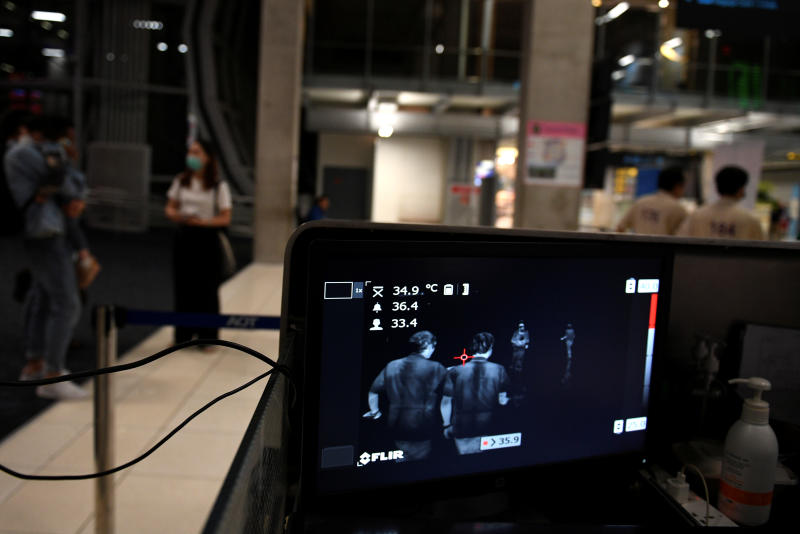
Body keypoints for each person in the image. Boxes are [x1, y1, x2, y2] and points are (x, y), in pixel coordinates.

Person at [4, 114, 87, 399]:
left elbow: (63, 185)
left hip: (48, 230)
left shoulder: (32, 153)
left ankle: (36, 363)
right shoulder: (24, 153)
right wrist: (65, 164)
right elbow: (65, 181)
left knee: (44, 297)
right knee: (66, 303)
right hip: (43, 233)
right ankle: (53, 373)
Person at [165, 139, 232, 347]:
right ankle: (183, 335)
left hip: (207, 240)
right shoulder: (181, 180)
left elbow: (225, 217)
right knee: (184, 287)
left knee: (207, 289)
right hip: (185, 237)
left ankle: (207, 337)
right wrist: (180, 216)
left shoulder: (218, 186)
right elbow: (170, 207)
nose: (192, 156)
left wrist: (204, 221)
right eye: (190, 152)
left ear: (208, 157)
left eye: (197, 152)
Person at [363, 331, 446, 461]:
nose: (433, 350)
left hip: (395, 428)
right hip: (421, 429)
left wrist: (375, 412)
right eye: (433, 346)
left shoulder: (391, 365)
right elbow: (449, 395)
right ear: (428, 346)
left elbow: (373, 392)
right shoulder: (436, 367)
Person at [441, 332, 510, 455]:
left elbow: (446, 402)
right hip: (488, 426)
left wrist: (446, 425)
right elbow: (502, 401)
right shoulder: (499, 370)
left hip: (461, 427)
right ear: (490, 348)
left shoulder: (455, 370)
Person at [678, 166, 765, 240]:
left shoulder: (697, 215)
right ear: (741, 189)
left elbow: (679, 240)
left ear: (717, 188)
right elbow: (762, 252)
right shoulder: (750, 220)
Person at [616, 166, 688, 235]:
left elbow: (620, 229)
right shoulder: (679, 209)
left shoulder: (641, 202)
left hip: (636, 247)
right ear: (677, 186)